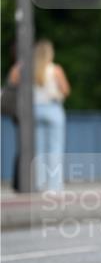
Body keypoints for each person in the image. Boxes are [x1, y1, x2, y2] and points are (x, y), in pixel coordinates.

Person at [9, 39, 70, 192]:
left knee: (39, 150)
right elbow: (65, 90)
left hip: (34, 111)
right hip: (53, 109)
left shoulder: (28, 69)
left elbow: (12, 81)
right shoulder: (56, 70)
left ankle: (39, 184)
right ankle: (54, 186)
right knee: (55, 149)